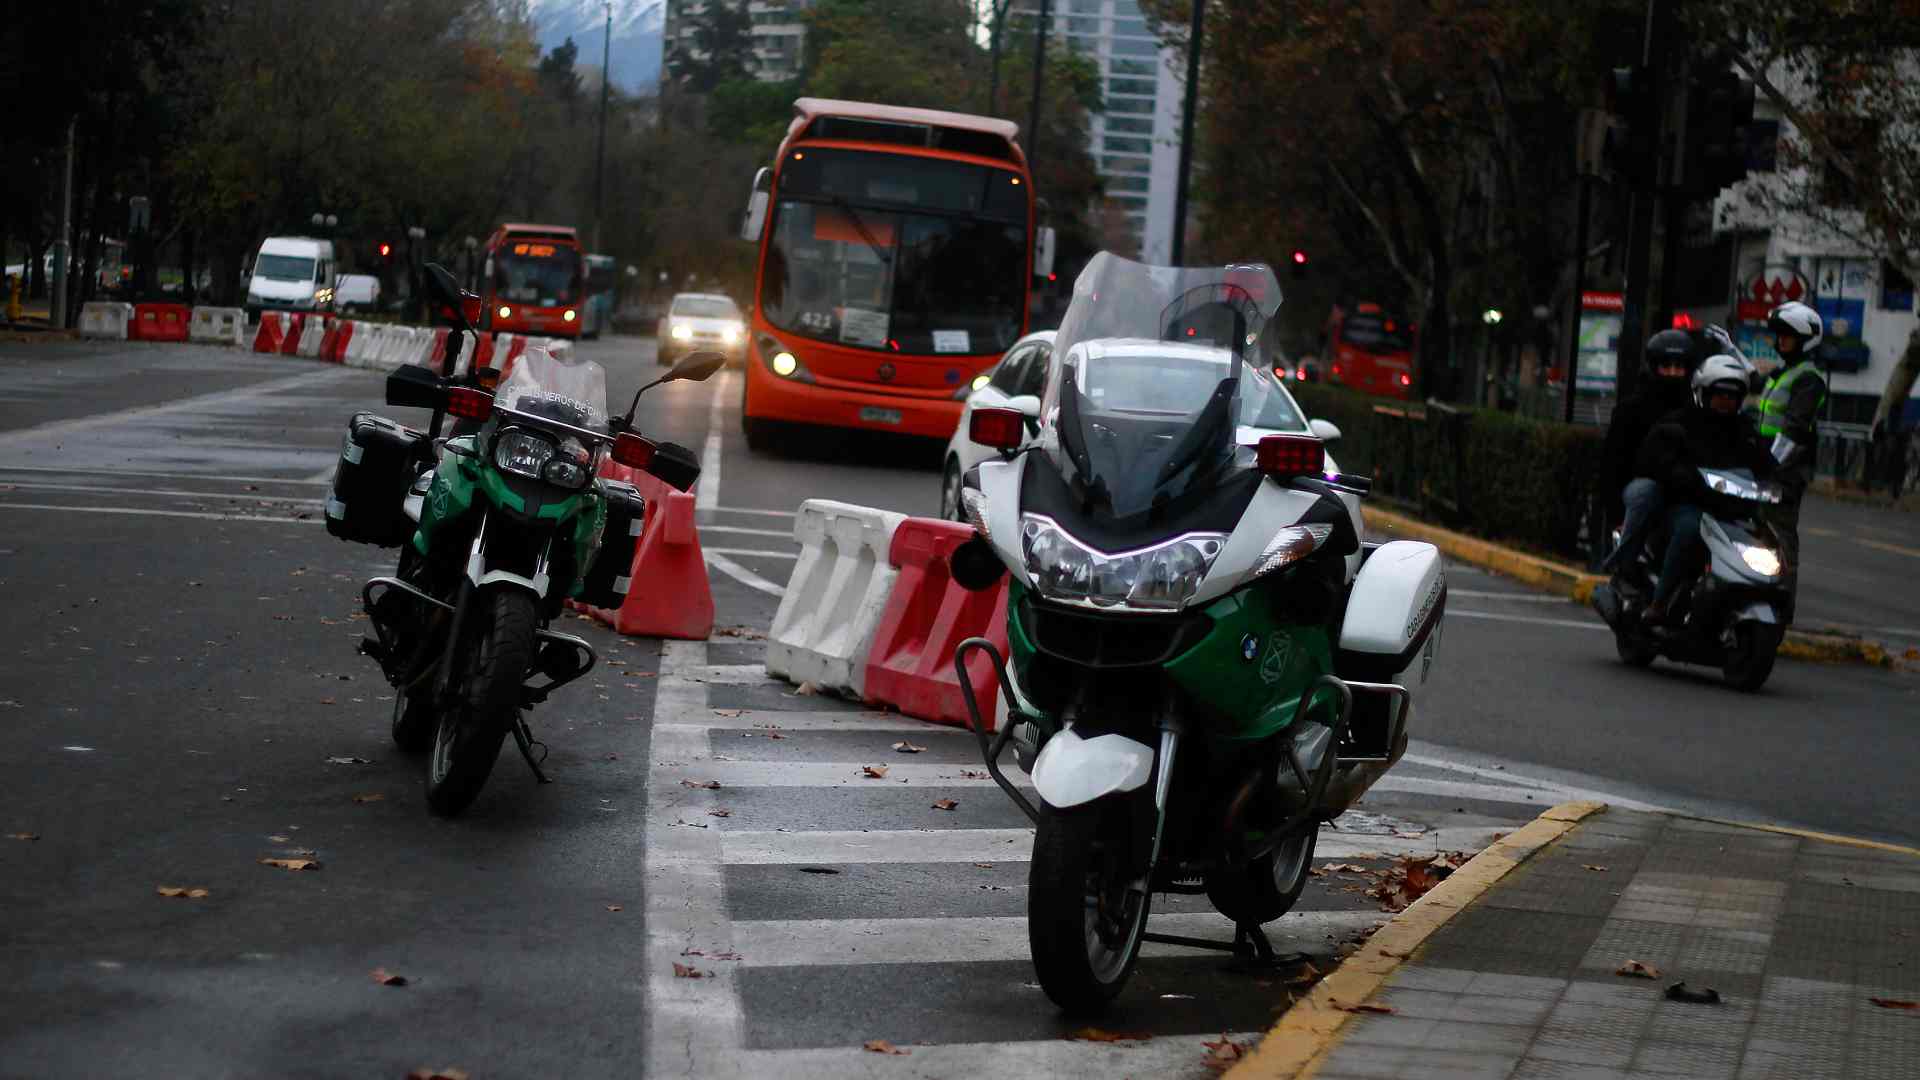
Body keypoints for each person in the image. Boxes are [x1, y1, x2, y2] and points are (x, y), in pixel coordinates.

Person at [1633, 353, 1776, 625]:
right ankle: (1660, 602)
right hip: (1688, 506)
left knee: (1766, 540)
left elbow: (1766, 464)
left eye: (1732, 396)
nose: (1726, 401)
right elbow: (1652, 457)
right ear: (1703, 393)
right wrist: (1677, 473)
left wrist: (1780, 483)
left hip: (1731, 512)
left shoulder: (1744, 431)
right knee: (1690, 529)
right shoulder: (1681, 422)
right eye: (1719, 394)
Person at [1599, 329, 1702, 582]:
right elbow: (1612, 463)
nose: (1673, 373)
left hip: (1684, 494)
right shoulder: (1631, 409)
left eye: (1679, 367)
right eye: (1667, 366)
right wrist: (1616, 516)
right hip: (1645, 487)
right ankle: (1624, 564)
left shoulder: (1698, 412)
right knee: (1644, 492)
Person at [1753, 300, 1826, 621]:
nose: (1781, 341)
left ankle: (1780, 613)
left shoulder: (1808, 379)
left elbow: (1794, 430)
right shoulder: (1783, 374)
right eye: (1779, 335)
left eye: (1789, 336)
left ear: (1806, 339)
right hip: (1765, 470)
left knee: (1780, 540)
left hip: (1784, 475)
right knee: (1755, 538)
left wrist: (1770, 466)